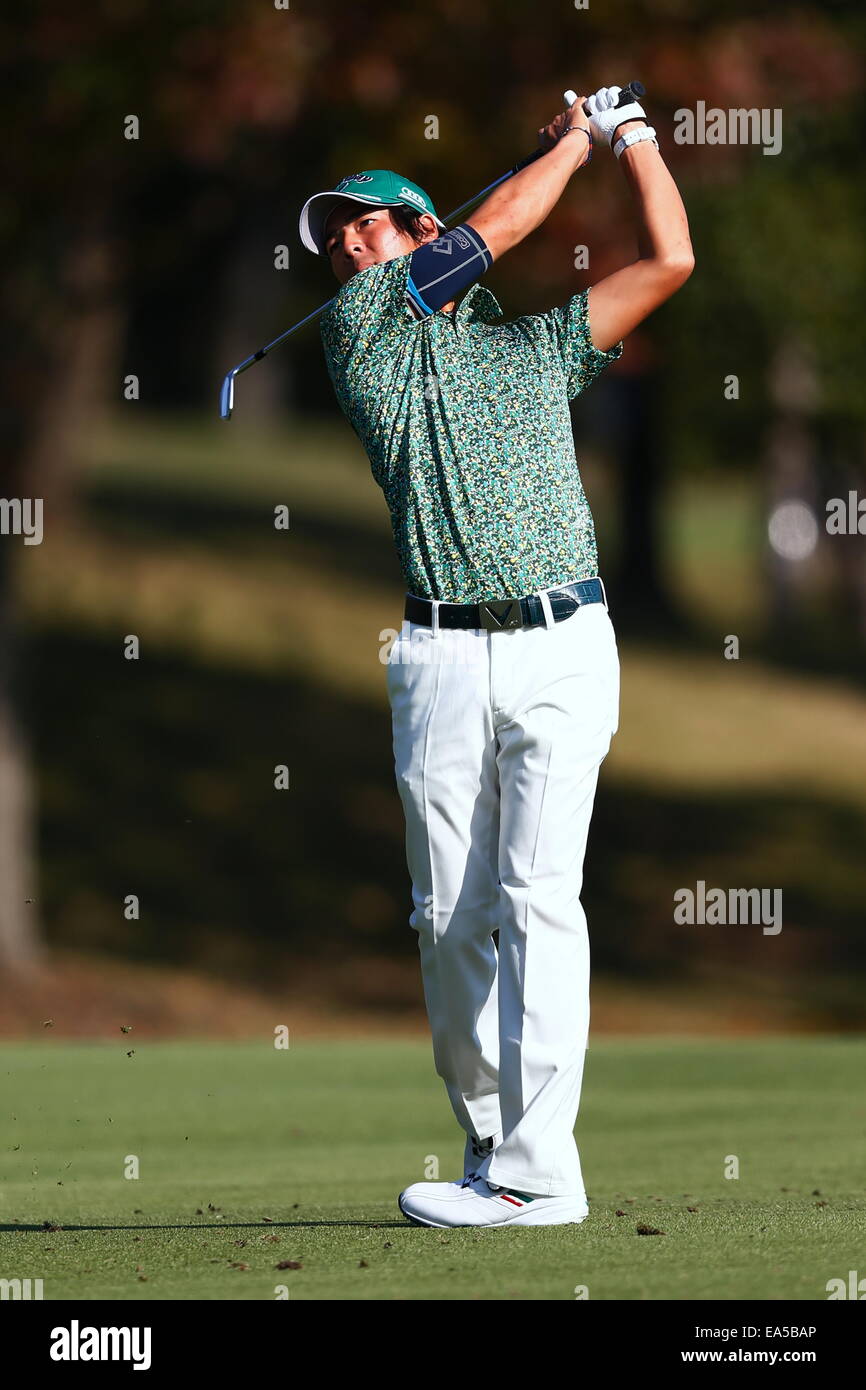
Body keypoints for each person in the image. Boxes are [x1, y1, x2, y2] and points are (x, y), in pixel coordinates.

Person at [298, 85, 694, 1228]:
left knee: (537, 898)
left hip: (565, 645)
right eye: (334, 237)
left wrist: (631, 142)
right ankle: (488, 1141)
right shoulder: (362, 335)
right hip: (436, 657)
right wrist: (574, 140)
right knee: (446, 919)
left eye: (368, 222)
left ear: (424, 231)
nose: (346, 243)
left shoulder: (535, 353)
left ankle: (535, 1173)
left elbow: (667, 257)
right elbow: (506, 227)